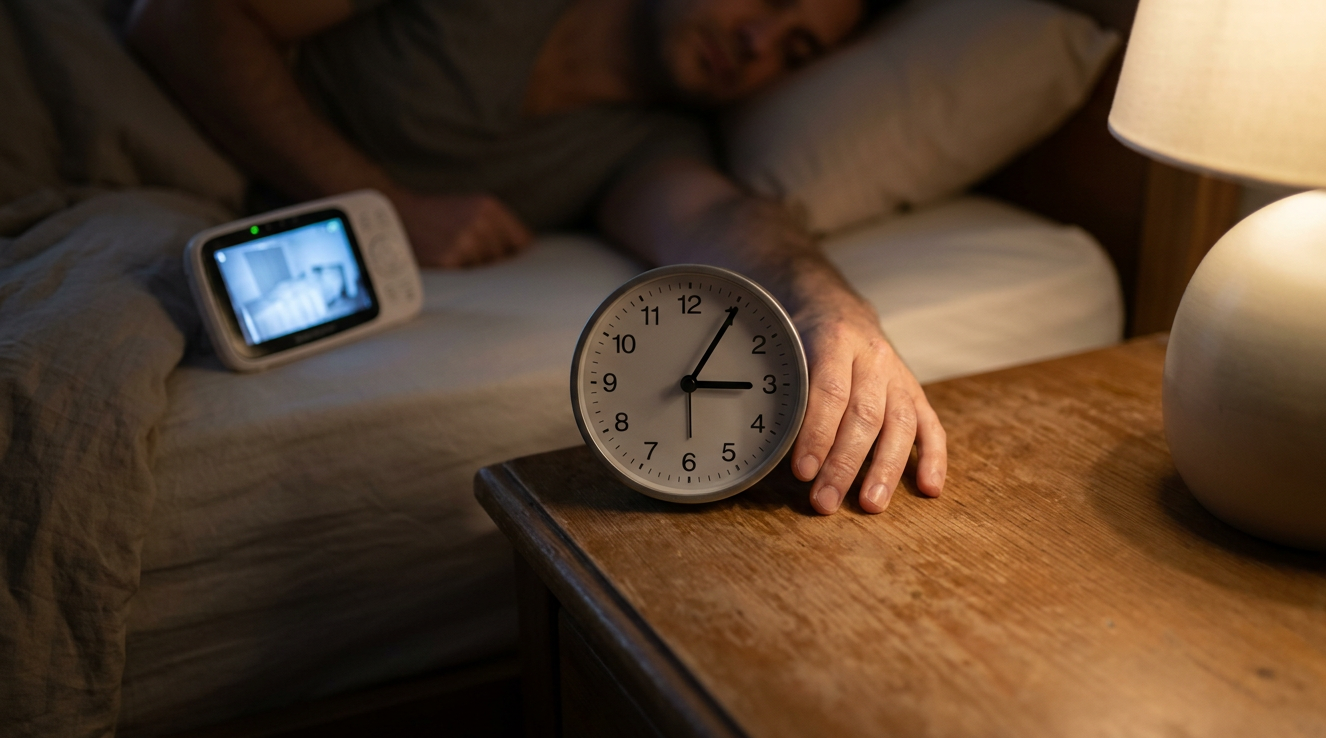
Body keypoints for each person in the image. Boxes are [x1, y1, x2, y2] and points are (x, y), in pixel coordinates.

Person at [127, 0, 947, 515]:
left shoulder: (651, 147)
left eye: (795, 50)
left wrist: (831, 307)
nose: (760, 40)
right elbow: (182, 18)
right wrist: (387, 205)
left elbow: (721, 220)